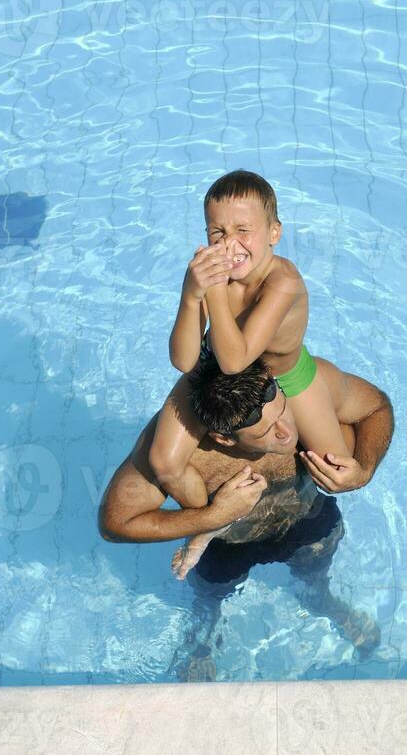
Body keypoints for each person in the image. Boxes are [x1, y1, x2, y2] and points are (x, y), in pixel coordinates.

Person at [98, 353, 394, 679]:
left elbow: (376, 407)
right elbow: (115, 524)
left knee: (316, 572)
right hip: (227, 543)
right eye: (266, 431)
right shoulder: (186, 454)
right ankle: (203, 641)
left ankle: (323, 601)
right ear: (223, 437)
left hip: (305, 517)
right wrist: (212, 517)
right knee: (210, 597)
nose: (287, 432)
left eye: (281, 411)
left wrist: (364, 470)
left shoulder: (307, 388)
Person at [147, 169, 356, 562]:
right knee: (164, 462)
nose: (230, 245)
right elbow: (183, 360)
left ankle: (336, 409)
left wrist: (215, 294)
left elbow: (237, 359)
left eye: (244, 230)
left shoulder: (284, 280)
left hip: (284, 377)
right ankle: (210, 525)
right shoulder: (209, 276)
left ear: (274, 232)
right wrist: (190, 296)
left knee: (334, 469)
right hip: (215, 373)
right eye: (217, 233)